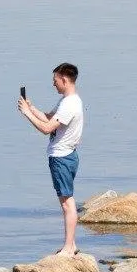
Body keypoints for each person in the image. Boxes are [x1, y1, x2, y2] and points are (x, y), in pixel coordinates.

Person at [18, 62, 85, 257]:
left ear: (64, 79)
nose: (53, 84)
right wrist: (32, 108)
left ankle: (69, 247)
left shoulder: (70, 104)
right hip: (66, 155)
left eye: (55, 80)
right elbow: (49, 118)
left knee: (67, 203)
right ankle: (70, 245)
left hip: (62, 156)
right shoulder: (67, 101)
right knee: (67, 200)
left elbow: (46, 128)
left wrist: (26, 114)